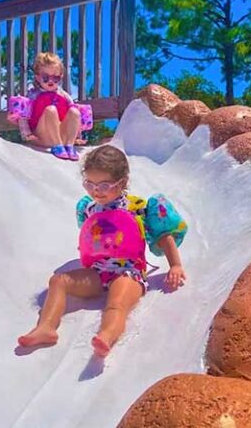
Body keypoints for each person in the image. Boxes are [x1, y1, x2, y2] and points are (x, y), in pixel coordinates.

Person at [18, 145, 188, 357]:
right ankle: (46, 327)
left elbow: (164, 235)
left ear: (122, 182)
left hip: (129, 272)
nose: (96, 191)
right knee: (58, 281)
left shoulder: (138, 207)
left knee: (116, 304)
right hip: (98, 272)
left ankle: (106, 336)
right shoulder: (89, 208)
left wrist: (176, 265)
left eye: (104, 185)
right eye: (90, 184)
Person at [18, 53, 81, 160]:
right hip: (42, 136)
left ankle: (69, 145)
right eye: (46, 77)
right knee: (50, 110)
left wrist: (78, 136)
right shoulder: (33, 95)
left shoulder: (64, 96)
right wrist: (26, 134)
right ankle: (57, 146)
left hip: (62, 135)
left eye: (55, 78)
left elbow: (74, 118)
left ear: (61, 76)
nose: (51, 81)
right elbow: (23, 115)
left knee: (75, 111)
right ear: (38, 77)